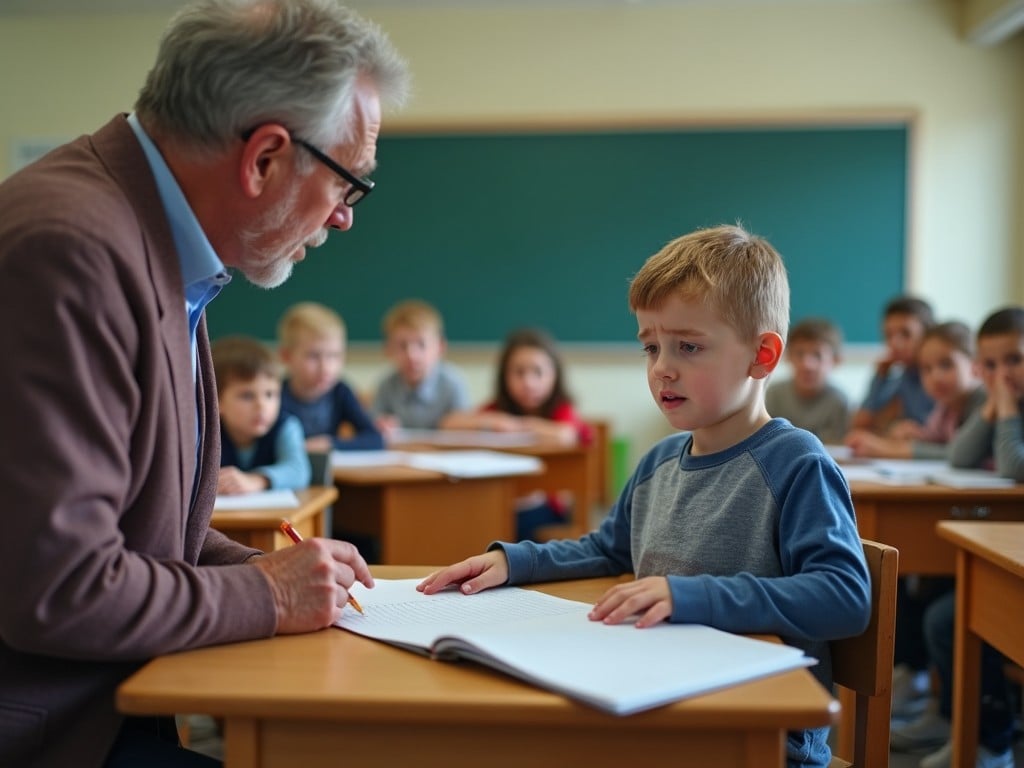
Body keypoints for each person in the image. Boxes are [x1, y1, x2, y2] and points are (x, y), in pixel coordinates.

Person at [0, 1, 408, 766]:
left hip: (109, 696)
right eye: (349, 183)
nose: (345, 218)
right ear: (263, 159)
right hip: (53, 728)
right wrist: (271, 596)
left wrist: (261, 569)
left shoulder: (157, 239)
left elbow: (137, 530)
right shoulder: (72, 253)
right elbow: (60, 590)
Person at [418, 225, 872, 768]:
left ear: (763, 355)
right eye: (651, 347)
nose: (662, 367)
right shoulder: (660, 459)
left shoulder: (796, 462)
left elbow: (844, 596)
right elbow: (609, 550)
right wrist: (513, 560)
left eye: (688, 346)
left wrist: (693, 597)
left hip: (760, 738)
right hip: (660, 709)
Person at [443, 327, 594, 540]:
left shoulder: (562, 409)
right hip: (502, 501)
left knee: (502, 524)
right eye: (519, 372)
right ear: (504, 376)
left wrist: (517, 425)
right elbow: (450, 423)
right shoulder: (497, 410)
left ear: (554, 375)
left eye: (537, 372)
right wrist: (495, 421)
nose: (528, 382)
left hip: (549, 508)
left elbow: (565, 435)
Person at [845, 321, 984, 459]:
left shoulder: (984, 401)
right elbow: (935, 442)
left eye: (946, 365)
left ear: (976, 364)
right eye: (926, 369)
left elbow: (960, 454)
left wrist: (890, 449)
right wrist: (915, 435)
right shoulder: (945, 409)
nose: (935, 377)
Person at [278, 301, 385, 453]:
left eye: (333, 356)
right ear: (286, 356)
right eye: (313, 356)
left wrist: (331, 444)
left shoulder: (340, 392)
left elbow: (375, 439)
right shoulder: (275, 396)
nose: (325, 367)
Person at [212, 335, 311, 494]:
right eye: (247, 396)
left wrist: (256, 481)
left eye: (270, 394)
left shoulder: (286, 426)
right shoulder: (206, 432)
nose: (262, 406)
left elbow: (299, 472)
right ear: (217, 401)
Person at [372, 298, 471, 432]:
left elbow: (465, 431)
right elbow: (375, 425)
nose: (412, 355)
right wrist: (381, 425)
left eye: (422, 345)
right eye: (402, 346)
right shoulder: (386, 386)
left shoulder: (453, 384)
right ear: (388, 349)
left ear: (440, 347)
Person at [949, 305, 1024, 481]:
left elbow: (1015, 469)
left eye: (1014, 360)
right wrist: (992, 405)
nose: (1002, 375)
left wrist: (1006, 407)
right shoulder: (997, 402)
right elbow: (958, 457)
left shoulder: (1008, 407)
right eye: (990, 365)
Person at [848, 295, 936, 435]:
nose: (894, 343)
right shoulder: (900, 379)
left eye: (905, 334)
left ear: (928, 335)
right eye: (888, 335)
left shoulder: (939, 379)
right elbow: (860, 424)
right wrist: (879, 377)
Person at [765, 317, 850, 444]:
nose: (807, 364)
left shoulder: (839, 401)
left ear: (836, 360)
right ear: (788, 357)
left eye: (817, 355)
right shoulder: (774, 394)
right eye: (799, 354)